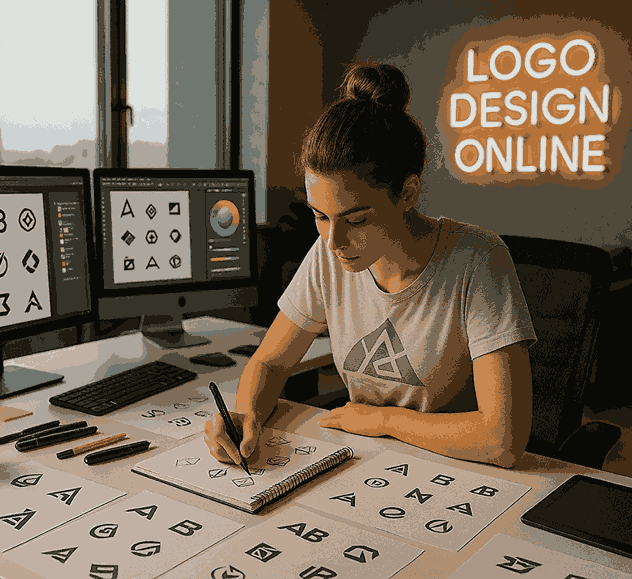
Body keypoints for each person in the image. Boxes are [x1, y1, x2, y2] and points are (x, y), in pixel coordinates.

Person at [204, 62, 537, 468]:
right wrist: (247, 414)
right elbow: (270, 362)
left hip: (457, 470)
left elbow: (501, 440)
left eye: (357, 220)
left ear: (408, 192)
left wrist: (382, 419)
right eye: (320, 216)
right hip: (369, 462)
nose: (333, 241)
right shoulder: (330, 252)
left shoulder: (478, 259)